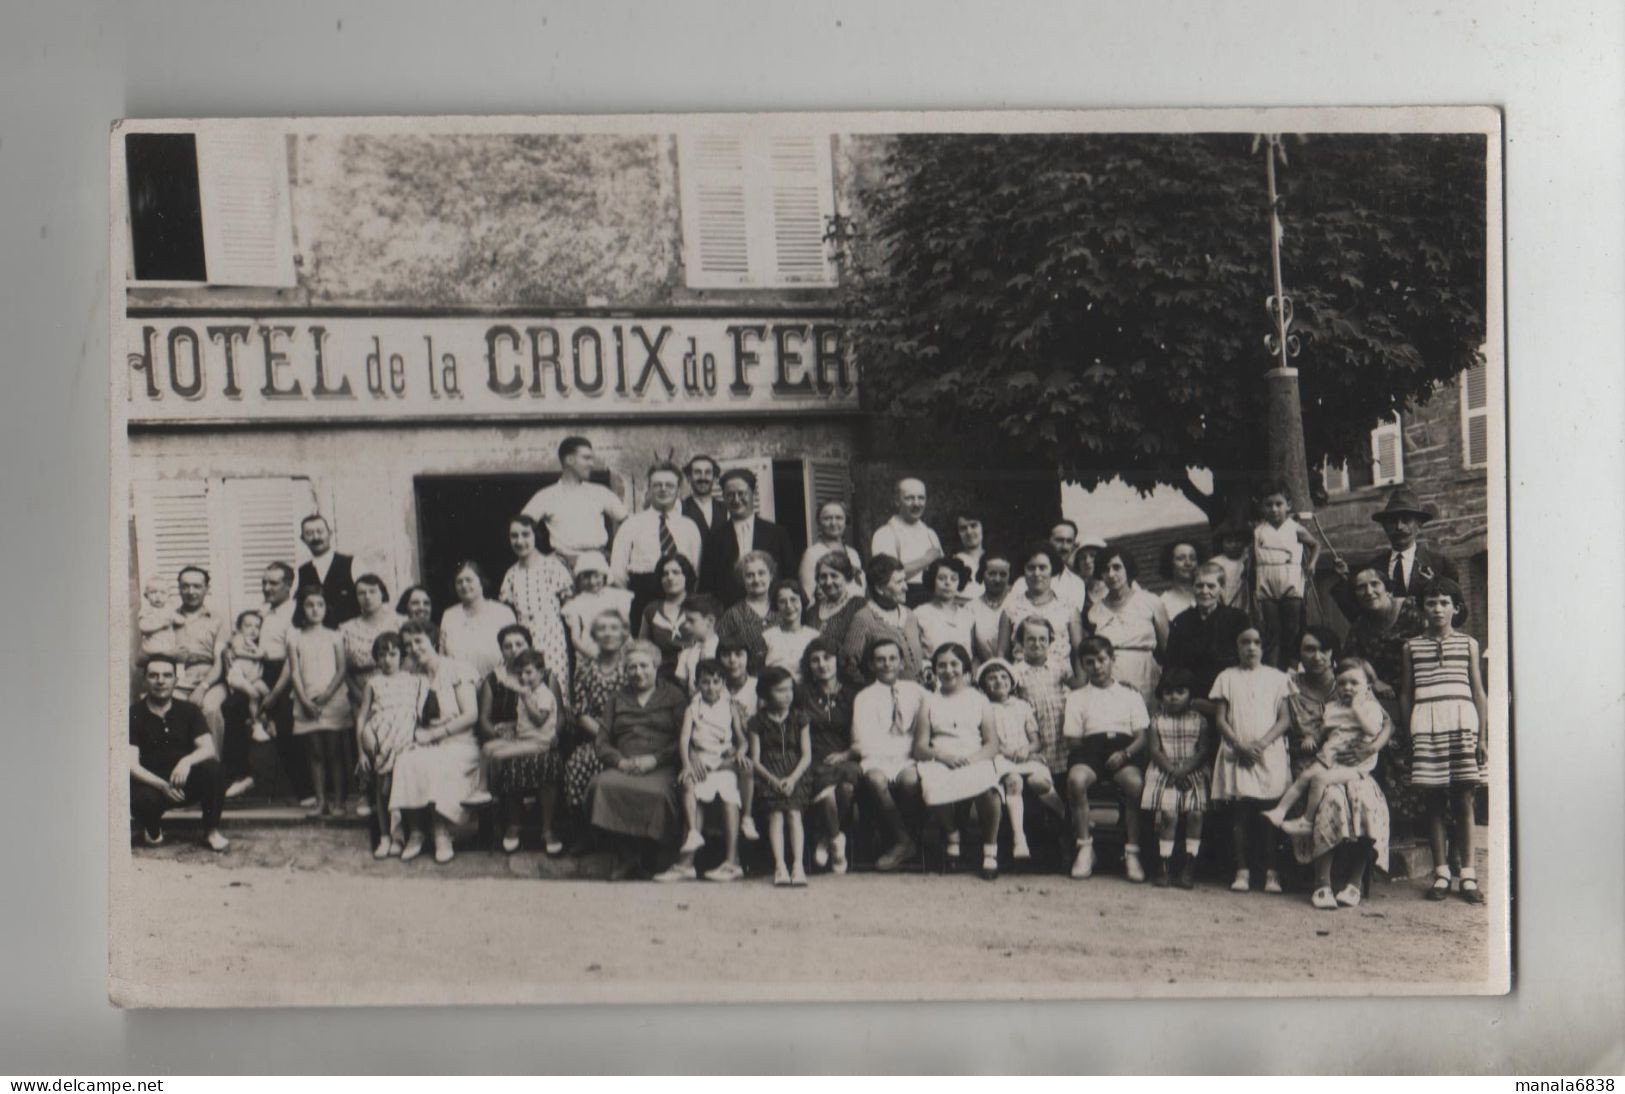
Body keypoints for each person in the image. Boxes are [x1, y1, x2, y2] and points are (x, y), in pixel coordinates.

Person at [1282, 629, 1396, 911]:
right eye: (1309, 649)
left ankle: (1353, 884)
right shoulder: (1290, 687)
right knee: (1331, 798)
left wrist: (1373, 747)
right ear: (1300, 653)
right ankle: (1322, 884)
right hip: (1313, 766)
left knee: (1363, 798)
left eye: (1324, 649)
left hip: (1355, 767)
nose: (1317, 656)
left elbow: (1386, 722)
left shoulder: (1349, 682)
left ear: (1333, 655)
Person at [1402, 577, 1489, 905]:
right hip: (1427, 724)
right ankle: (1441, 872)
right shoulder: (1411, 646)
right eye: (1430, 602)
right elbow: (1406, 693)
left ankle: (1468, 874)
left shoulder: (1468, 643)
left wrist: (1482, 737)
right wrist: (1411, 732)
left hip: (1461, 723)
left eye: (1443, 602)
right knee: (1435, 802)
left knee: (1464, 801)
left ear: (1456, 607)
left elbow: (1479, 692)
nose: (1437, 609)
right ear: (1422, 608)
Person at [587, 640, 688, 881]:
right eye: (632, 667)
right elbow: (601, 741)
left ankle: (648, 856)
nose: (638, 672)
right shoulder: (617, 698)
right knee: (601, 786)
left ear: (656, 666)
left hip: (660, 766)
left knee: (660, 794)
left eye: (644, 666)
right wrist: (619, 761)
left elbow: (683, 739)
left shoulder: (673, 696)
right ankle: (627, 855)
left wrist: (655, 759)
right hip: (625, 764)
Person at [389, 622, 482, 865]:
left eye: (419, 641)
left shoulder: (457, 669)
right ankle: (417, 832)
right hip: (426, 741)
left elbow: (470, 715)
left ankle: (441, 832)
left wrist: (434, 735)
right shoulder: (413, 679)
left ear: (434, 642)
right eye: (408, 645)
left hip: (460, 742)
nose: (413, 648)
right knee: (406, 761)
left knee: (436, 764)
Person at [1209, 627, 1294, 894]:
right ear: (1237, 646)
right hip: (1237, 752)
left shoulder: (1277, 678)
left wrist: (1260, 744)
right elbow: (1221, 719)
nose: (1251, 647)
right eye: (1245, 642)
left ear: (1263, 647)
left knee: (1270, 813)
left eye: (1257, 642)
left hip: (1268, 752)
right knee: (1241, 812)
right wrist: (1241, 745)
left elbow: (1285, 719)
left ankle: (1272, 872)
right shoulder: (1226, 677)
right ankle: (1242, 870)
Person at [1264, 659, 1387, 837]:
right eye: (1342, 683)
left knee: (1319, 780)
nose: (1348, 688)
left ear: (1367, 686)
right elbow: (1322, 730)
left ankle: (1307, 821)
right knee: (1305, 776)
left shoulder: (1370, 708)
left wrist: (1356, 710)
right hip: (1329, 757)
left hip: (1354, 766)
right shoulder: (1333, 708)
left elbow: (1373, 730)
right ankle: (1279, 812)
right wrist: (1311, 737)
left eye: (1354, 683)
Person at [1061, 637, 1150, 882]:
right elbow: (1073, 740)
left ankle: (1132, 851)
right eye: (1089, 662)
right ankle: (1085, 848)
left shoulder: (1130, 695)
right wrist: (1094, 756)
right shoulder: (1077, 697)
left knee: (1135, 784)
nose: (1097, 667)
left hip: (1124, 748)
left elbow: (1142, 736)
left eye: (1102, 660)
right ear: (1082, 665)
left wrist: (1125, 754)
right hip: (1090, 749)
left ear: (1112, 659)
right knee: (1076, 780)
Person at [914, 643, 1003, 880]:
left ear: (965, 669)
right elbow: (920, 747)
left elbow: (992, 744)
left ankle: (990, 850)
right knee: (934, 782)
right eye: (941, 665)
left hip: (975, 756)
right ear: (934, 670)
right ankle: (953, 834)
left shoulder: (979, 700)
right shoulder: (929, 701)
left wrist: (970, 759)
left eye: (954, 664)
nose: (948, 670)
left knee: (989, 790)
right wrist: (944, 757)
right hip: (941, 758)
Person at [477, 624, 567, 855]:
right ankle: (510, 824)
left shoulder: (544, 677)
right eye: (507, 646)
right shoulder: (495, 679)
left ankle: (547, 829)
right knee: (495, 754)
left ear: (529, 645)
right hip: (515, 737)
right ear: (501, 650)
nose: (514, 650)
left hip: (539, 740)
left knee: (544, 762)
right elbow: (484, 720)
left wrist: (555, 735)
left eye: (519, 644)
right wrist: (500, 731)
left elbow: (557, 715)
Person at [129, 655, 229, 852]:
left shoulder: (188, 710)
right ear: (144, 681)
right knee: (141, 798)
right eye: (153, 675)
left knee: (214, 769)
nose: (161, 681)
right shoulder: (133, 713)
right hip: (152, 786)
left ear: (176, 680)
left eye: (167, 675)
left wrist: (186, 761)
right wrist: (163, 786)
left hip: (183, 783)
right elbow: (131, 765)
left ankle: (211, 831)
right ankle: (153, 830)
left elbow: (209, 748)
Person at [663, 659, 748, 882]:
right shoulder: (693, 708)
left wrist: (740, 751)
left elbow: (742, 740)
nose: (711, 687)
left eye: (716, 682)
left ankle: (732, 862)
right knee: (690, 785)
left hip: (723, 762)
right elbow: (684, 740)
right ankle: (689, 850)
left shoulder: (730, 707)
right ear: (697, 684)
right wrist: (688, 764)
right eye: (705, 682)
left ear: (723, 684)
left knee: (730, 796)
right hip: (700, 760)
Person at [851, 637, 927, 870]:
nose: (887, 664)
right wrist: (887, 755)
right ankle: (903, 841)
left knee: (910, 781)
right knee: (876, 779)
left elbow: (925, 730)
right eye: (880, 660)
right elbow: (861, 739)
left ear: (902, 663)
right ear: (872, 665)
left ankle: (905, 839)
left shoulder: (917, 692)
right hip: (877, 757)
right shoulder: (864, 697)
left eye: (893, 658)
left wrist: (911, 754)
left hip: (908, 756)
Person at [980, 658, 1062, 863]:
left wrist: (1027, 748)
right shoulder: (983, 708)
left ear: (1012, 681)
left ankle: (1064, 814)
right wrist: (1005, 751)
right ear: (983, 685)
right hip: (1000, 759)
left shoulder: (1022, 706)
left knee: (1037, 781)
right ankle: (1020, 839)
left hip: (1026, 756)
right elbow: (985, 740)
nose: (999, 681)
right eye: (992, 678)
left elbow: (1036, 740)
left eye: (1003, 677)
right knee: (1013, 781)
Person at [1330, 485, 1460, 614]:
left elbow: (1457, 613)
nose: (1399, 527)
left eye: (1406, 520)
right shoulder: (1373, 568)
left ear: (1419, 525)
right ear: (1384, 527)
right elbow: (1358, 616)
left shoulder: (1441, 565)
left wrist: (1434, 586)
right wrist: (1345, 580)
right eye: (1392, 521)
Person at [338, 573, 406, 816]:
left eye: (372, 592)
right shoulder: (346, 628)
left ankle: (395, 792)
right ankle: (366, 793)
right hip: (359, 689)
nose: (367, 598)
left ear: (383, 593)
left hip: (394, 685)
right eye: (361, 593)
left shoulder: (398, 622)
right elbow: (342, 667)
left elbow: (406, 658)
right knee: (364, 738)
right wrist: (358, 693)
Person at [561, 611, 630, 846]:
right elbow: (581, 713)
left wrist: (620, 736)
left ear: (624, 633)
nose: (608, 633)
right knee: (578, 764)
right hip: (595, 736)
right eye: (602, 629)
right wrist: (604, 737)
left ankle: (619, 834)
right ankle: (586, 832)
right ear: (594, 636)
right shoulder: (585, 670)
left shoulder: (634, 668)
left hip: (630, 736)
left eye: (614, 628)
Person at [1141, 668, 1212, 889]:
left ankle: (1190, 864)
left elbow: (1202, 751)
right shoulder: (1156, 721)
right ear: (1161, 695)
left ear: (1190, 695)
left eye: (1180, 692)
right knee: (1169, 814)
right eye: (1168, 692)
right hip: (1165, 772)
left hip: (1193, 772)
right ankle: (1164, 863)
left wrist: (1185, 771)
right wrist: (1173, 771)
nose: (1173, 697)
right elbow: (1154, 750)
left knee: (1195, 814)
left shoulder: (1199, 721)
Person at [610, 461, 704, 628]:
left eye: (669, 485)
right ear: (649, 488)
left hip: (681, 601)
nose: (663, 489)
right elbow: (617, 572)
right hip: (642, 599)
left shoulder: (689, 526)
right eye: (657, 485)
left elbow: (696, 568)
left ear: (679, 490)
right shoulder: (632, 525)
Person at [354, 631, 423, 858]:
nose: (387, 660)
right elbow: (362, 717)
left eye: (393, 654)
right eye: (382, 655)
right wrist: (362, 752)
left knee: (402, 788)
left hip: (405, 740)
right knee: (382, 790)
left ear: (402, 656)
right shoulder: (373, 683)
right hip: (381, 739)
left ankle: (404, 835)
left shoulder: (414, 681)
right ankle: (386, 836)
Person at [288, 585, 354, 818]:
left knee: (335, 752)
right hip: (307, 700)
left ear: (327, 608)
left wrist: (326, 695)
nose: (315, 610)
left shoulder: (335, 636)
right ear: (301, 608)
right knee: (314, 753)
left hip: (332, 699)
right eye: (309, 605)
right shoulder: (295, 638)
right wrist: (305, 700)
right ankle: (320, 801)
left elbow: (342, 668)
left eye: (320, 605)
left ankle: (339, 801)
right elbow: (294, 672)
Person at [748, 667, 816, 887]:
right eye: (780, 690)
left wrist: (793, 779)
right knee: (776, 815)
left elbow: (806, 755)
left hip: (796, 773)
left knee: (794, 814)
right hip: (769, 774)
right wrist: (773, 780)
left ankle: (798, 865)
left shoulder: (800, 718)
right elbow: (755, 760)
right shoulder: (757, 722)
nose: (787, 695)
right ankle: (780, 866)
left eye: (790, 689)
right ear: (766, 693)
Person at [521, 436, 629, 568]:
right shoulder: (546, 496)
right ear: (569, 460)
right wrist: (539, 559)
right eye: (586, 458)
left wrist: (618, 556)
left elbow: (629, 523)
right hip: (561, 567)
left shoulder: (600, 492)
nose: (592, 464)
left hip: (598, 565)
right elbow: (521, 526)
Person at [800, 638, 860, 874]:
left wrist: (845, 754)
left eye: (827, 658)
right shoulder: (802, 693)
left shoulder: (853, 694)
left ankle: (825, 838)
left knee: (846, 788)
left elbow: (862, 733)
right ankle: (836, 843)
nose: (822, 664)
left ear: (838, 661)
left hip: (845, 755)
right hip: (812, 756)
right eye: (815, 660)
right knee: (826, 791)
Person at [498, 514, 575, 695]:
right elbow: (508, 616)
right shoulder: (511, 574)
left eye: (526, 534)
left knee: (555, 687)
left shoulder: (553, 567)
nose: (520, 541)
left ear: (535, 536)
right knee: (528, 689)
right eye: (514, 536)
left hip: (552, 637)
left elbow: (570, 609)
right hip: (523, 641)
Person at [1162, 561, 1252, 706]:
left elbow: (1248, 660)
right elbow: (1171, 665)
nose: (1204, 591)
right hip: (1192, 700)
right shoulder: (1181, 621)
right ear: (1192, 588)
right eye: (1199, 586)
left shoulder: (1238, 619)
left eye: (1211, 586)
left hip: (1229, 698)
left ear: (1221, 588)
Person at [1087, 544, 1170, 701]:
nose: (1111, 574)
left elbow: (1167, 649)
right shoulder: (1094, 612)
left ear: (1128, 569)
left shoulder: (1150, 602)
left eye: (1117, 567)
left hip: (1145, 673)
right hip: (1109, 676)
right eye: (1105, 570)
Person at [1253, 481, 1321, 669]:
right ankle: (1275, 668)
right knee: (1273, 630)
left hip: (1289, 579)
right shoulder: (1259, 531)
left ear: (1288, 506)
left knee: (1293, 628)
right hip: (1266, 580)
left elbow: (1315, 545)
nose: (1274, 509)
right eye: (1269, 505)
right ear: (1262, 507)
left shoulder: (1295, 528)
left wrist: (1312, 563)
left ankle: (1293, 665)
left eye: (1279, 504)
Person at [700, 468, 795, 603]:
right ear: (724, 498)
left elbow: (789, 578)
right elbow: (708, 586)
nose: (736, 499)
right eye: (730, 495)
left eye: (742, 493)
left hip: (771, 609)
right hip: (729, 612)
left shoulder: (777, 534)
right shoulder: (715, 538)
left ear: (753, 494)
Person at [1341, 566, 1428, 700]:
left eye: (1375, 584)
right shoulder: (1360, 625)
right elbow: (1350, 661)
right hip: (1383, 697)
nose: (1369, 592)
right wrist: (1374, 681)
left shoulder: (1412, 611)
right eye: (1361, 587)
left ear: (1387, 588)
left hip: (1421, 690)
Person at [841, 554, 929, 685]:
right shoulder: (864, 619)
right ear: (879, 588)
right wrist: (873, 690)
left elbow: (922, 654)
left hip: (918, 696)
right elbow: (847, 666)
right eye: (899, 582)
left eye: (904, 580)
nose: (906, 587)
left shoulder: (910, 615)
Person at [998, 544, 1085, 675]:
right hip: (1022, 681)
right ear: (1024, 571)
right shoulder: (1011, 609)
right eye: (1031, 568)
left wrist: (1080, 682)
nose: (1037, 573)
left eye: (1043, 568)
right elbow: (1002, 653)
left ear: (1052, 570)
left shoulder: (1069, 608)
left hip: (1062, 681)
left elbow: (1078, 651)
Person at [1007, 619, 1072, 786]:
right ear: (1021, 643)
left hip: (1058, 731)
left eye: (1042, 639)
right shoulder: (1015, 673)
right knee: (1036, 780)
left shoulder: (1060, 668)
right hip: (1033, 732)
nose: (1037, 644)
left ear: (1050, 641)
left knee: (1061, 779)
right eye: (1031, 639)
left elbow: (1080, 689)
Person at [167, 566, 229, 726]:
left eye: (197, 586)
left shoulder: (217, 620)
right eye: (185, 586)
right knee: (168, 710)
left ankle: (212, 752)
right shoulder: (168, 620)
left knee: (209, 708)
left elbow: (219, 661)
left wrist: (202, 687)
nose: (190, 591)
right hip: (177, 680)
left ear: (206, 589)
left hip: (211, 681)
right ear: (179, 589)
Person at [869, 477, 943, 607]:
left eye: (921, 498)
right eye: (909, 498)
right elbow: (886, 575)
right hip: (900, 601)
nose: (916, 503)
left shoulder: (930, 534)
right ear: (897, 501)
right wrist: (926, 560)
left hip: (933, 602)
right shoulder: (885, 534)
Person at [438, 560, 517, 681]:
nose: (464, 585)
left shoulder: (503, 613)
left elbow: (517, 652)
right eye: (459, 582)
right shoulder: (449, 615)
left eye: (469, 580)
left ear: (481, 581)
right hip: (461, 685)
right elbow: (442, 656)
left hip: (497, 684)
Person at [562, 551, 635, 660]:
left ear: (604, 576)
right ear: (579, 579)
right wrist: (594, 656)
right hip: (590, 651)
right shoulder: (575, 604)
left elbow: (625, 627)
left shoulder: (617, 597)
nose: (592, 582)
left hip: (618, 648)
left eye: (596, 576)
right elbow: (576, 638)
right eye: (586, 577)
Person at [633, 552, 697, 677]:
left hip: (694, 671)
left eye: (676, 572)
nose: (670, 577)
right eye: (665, 574)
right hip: (661, 673)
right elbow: (643, 647)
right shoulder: (651, 610)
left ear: (686, 576)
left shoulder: (699, 606)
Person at [715, 551, 778, 671]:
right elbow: (720, 651)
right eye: (750, 575)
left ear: (771, 576)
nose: (756, 579)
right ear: (742, 580)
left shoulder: (781, 609)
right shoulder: (732, 615)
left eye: (761, 573)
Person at [1008, 521, 1090, 612]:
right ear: (1048, 541)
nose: (1064, 547)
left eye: (1069, 541)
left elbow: (1073, 619)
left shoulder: (1077, 584)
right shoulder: (1023, 581)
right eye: (1059, 540)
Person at [295, 515, 359, 629]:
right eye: (309, 533)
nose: (316, 537)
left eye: (320, 531)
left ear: (330, 533)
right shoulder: (301, 572)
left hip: (349, 637)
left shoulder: (352, 563)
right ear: (302, 539)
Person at [798, 499, 866, 600]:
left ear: (845, 521)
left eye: (839, 518)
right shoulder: (812, 554)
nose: (833, 523)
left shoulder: (853, 554)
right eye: (827, 518)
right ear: (819, 522)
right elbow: (807, 598)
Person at [803, 552, 866, 657]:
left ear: (846, 577)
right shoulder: (812, 611)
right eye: (823, 576)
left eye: (834, 576)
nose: (828, 582)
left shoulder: (858, 606)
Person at [913, 557, 975, 658]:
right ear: (933, 580)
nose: (948, 583)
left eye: (953, 579)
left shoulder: (967, 615)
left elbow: (973, 653)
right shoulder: (920, 614)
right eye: (941, 578)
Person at [223, 610, 271, 740]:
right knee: (254, 694)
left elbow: (263, 653)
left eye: (257, 626)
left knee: (267, 693)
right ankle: (257, 726)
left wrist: (258, 651)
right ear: (239, 628)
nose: (253, 630)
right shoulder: (238, 638)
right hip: (237, 676)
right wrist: (257, 655)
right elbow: (238, 652)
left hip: (253, 677)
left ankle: (266, 719)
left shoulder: (257, 642)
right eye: (248, 626)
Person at [763, 579, 819, 682]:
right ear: (776, 606)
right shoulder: (768, 636)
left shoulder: (814, 637)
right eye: (782, 601)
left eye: (793, 600)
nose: (788, 606)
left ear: (802, 601)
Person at [968, 549, 1014, 667]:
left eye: (1003, 574)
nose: (997, 579)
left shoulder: (1017, 603)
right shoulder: (972, 607)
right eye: (992, 574)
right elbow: (972, 651)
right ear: (982, 573)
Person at [674, 594, 722, 694]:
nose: (686, 625)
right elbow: (682, 686)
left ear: (710, 621)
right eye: (685, 620)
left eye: (691, 620)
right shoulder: (686, 654)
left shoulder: (724, 651)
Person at [1157, 538, 1205, 621]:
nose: (1188, 563)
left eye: (1193, 558)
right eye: (1181, 558)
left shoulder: (1208, 595)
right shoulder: (1163, 603)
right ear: (1170, 563)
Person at [1210, 519, 1252, 613]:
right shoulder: (1215, 563)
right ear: (1221, 543)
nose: (1234, 545)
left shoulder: (1248, 559)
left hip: (1247, 609)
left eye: (1238, 541)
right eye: (1229, 541)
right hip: (1225, 608)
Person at [137, 577, 181, 663]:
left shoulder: (169, 609)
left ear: (168, 595)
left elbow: (178, 619)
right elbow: (142, 627)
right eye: (153, 592)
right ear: (146, 596)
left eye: (163, 593)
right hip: (152, 647)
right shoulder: (146, 610)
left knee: (172, 662)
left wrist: (179, 620)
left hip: (168, 646)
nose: (158, 596)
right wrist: (161, 625)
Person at [681, 455, 722, 537]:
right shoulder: (680, 508)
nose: (703, 477)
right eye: (697, 472)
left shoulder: (725, 509)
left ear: (714, 478)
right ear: (689, 478)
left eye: (708, 472)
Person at [951, 513, 988, 600]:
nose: (969, 532)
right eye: (963, 528)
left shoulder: (994, 558)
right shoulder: (954, 561)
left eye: (973, 525)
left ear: (982, 527)